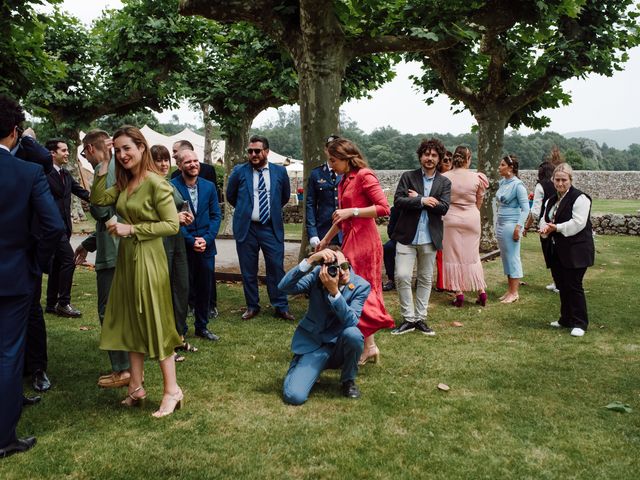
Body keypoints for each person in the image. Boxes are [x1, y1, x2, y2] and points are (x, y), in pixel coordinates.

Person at [90, 125, 183, 418]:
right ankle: (137, 387)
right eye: (118, 150)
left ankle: (172, 391)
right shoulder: (123, 182)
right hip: (128, 258)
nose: (122, 154)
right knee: (130, 320)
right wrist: (104, 163)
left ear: (142, 147)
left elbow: (172, 225)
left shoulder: (156, 183)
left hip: (149, 258)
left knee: (154, 321)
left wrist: (132, 228)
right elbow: (98, 201)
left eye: (127, 148)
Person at [0, 95, 65, 458]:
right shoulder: (27, 172)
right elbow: (54, 226)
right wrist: (35, 262)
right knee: (8, 354)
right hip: (15, 274)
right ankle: (3, 438)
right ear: (14, 132)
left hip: (14, 272)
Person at [317, 137, 393, 365]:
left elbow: (383, 208)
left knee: (359, 290)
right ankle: (367, 345)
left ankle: (366, 345)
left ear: (346, 158)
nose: (330, 165)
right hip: (350, 240)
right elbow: (341, 218)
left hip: (366, 243)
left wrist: (353, 211)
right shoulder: (343, 181)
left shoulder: (364, 175)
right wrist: (325, 240)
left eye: (333, 160)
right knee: (353, 290)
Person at [73, 130, 131, 387]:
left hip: (114, 254)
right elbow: (109, 220)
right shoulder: (123, 168)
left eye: (85, 153)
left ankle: (122, 369)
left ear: (91, 148)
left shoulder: (107, 170)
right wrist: (87, 244)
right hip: (123, 250)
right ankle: (130, 369)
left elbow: (99, 210)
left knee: (109, 312)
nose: (85, 158)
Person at [279, 248, 369, 405]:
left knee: (353, 334)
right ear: (325, 270)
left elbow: (352, 321)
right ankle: (299, 366)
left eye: (345, 265)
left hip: (341, 346)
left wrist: (335, 292)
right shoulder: (316, 277)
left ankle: (348, 380)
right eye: (336, 268)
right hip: (315, 346)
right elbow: (284, 287)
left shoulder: (361, 286)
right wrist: (310, 260)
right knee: (294, 396)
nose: (342, 272)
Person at [226, 135, 294, 321]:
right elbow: (231, 196)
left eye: (257, 151)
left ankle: (280, 306)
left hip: (270, 228)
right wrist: (247, 211)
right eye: (250, 151)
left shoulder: (280, 172)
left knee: (276, 267)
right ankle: (252, 306)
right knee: (248, 269)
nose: (253, 154)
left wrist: (267, 211)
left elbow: (284, 197)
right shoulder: (239, 171)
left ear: (266, 151)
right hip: (247, 228)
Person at [390, 138, 451, 336]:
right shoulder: (408, 177)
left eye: (434, 155)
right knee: (402, 276)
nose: (430, 158)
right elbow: (398, 201)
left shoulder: (444, 182)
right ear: (420, 156)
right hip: (406, 236)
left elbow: (444, 207)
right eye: (426, 154)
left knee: (425, 279)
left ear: (439, 158)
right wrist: (422, 200)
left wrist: (416, 199)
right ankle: (408, 318)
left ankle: (420, 318)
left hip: (430, 237)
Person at [12, 128, 57, 394]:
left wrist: (37, 262)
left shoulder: (29, 154)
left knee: (31, 312)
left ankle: (37, 368)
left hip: (28, 249)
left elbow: (45, 159)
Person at [151, 144, 196, 359]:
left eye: (166, 160)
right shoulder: (146, 185)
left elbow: (180, 206)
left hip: (177, 240)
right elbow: (144, 216)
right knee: (164, 292)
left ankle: (178, 336)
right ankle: (164, 343)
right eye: (158, 160)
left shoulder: (169, 183)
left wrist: (185, 216)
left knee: (181, 287)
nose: (163, 164)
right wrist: (173, 218)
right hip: (159, 242)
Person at [171, 149, 222, 341]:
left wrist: (206, 240)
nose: (193, 165)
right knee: (183, 290)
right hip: (183, 246)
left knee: (204, 288)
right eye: (188, 162)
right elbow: (171, 219)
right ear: (179, 166)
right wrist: (191, 241)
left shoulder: (209, 187)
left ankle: (202, 326)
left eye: (195, 161)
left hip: (206, 246)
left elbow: (216, 216)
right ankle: (180, 329)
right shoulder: (171, 187)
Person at [539, 163, 594, 337]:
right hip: (557, 250)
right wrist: (544, 228)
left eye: (564, 180)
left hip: (577, 250)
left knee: (574, 285)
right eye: (557, 179)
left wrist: (556, 228)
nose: (560, 183)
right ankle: (566, 319)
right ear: (552, 180)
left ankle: (580, 322)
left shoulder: (580, 199)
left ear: (571, 180)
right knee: (562, 285)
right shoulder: (551, 200)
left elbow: (578, 223)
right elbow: (544, 218)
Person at [44, 138, 90, 318]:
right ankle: (63, 303)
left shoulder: (66, 174)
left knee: (57, 264)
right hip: (51, 228)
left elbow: (81, 192)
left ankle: (50, 304)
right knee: (68, 261)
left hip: (65, 227)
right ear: (52, 153)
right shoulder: (43, 173)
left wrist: (101, 200)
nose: (67, 153)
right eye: (63, 150)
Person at [441, 146, 489, 306]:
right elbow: (479, 200)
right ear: (468, 159)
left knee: (453, 256)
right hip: (472, 218)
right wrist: (472, 212)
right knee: (473, 256)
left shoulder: (445, 177)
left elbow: (442, 200)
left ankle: (459, 293)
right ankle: (481, 291)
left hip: (451, 218)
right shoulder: (477, 178)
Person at [496, 154, 530, 303]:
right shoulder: (502, 183)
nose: (499, 167)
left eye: (502, 165)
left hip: (512, 224)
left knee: (513, 257)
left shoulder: (518, 185)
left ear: (511, 168)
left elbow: (525, 209)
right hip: (501, 222)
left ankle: (514, 292)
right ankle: (509, 290)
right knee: (505, 257)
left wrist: (519, 227)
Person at [524, 160, 559, 293]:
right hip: (558, 222)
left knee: (550, 255)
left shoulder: (540, 187)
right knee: (558, 253)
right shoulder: (557, 184)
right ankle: (557, 282)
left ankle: (558, 283)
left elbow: (535, 211)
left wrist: (526, 227)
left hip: (545, 224)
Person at [306, 135, 342, 249]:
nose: (333, 151)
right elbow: (310, 204)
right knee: (325, 265)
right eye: (330, 148)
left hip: (345, 231)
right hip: (324, 231)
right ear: (325, 150)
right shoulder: (316, 173)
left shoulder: (347, 172)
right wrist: (312, 233)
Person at [435, 150, 453, 291]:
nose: (447, 161)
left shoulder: (455, 178)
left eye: (449, 159)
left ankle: (451, 281)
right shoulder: (436, 178)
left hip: (453, 216)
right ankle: (441, 282)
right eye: (445, 159)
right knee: (440, 252)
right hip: (439, 216)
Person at [382, 206, 399, 291]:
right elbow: (390, 228)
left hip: (414, 239)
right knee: (388, 248)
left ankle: (419, 279)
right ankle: (391, 279)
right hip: (398, 239)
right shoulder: (395, 209)